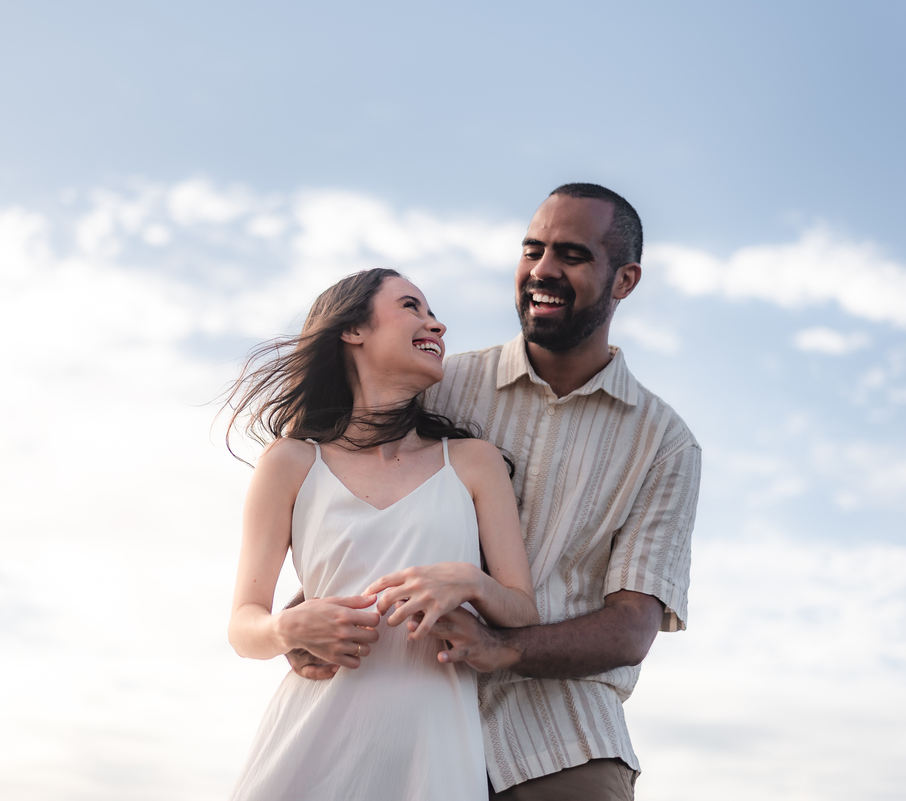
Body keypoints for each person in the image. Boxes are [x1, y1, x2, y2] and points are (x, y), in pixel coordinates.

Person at [288, 184, 702, 800]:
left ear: (625, 280)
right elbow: (356, 510)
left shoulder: (664, 443)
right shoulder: (439, 386)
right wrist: (303, 617)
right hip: (400, 722)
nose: (542, 271)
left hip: (564, 744)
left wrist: (497, 646)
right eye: (532, 249)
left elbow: (631, 628)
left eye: (572, 255)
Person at [224, 268, 541, 801]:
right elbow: (242, 625)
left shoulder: (473, 462)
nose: (436, 325)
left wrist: (470, 581)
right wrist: (289, 629)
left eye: (434, 314)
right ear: (353, 330)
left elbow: (522, 612)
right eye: (412, 307)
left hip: (433, 756)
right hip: (307, 748)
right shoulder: (290, 462)